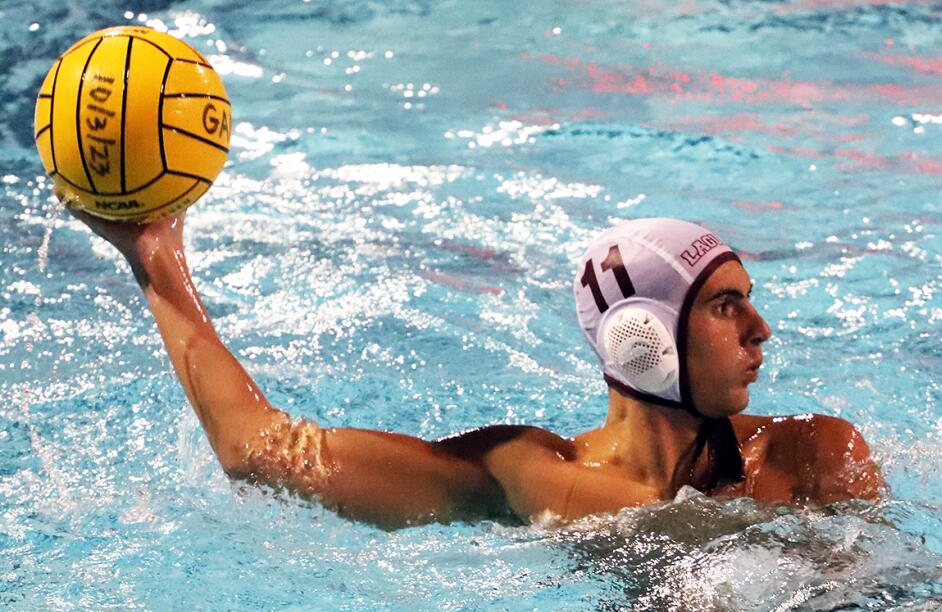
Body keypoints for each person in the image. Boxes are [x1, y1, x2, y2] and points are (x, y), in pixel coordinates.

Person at [67, 208, 881, 528]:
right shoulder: (524, 471)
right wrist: (155, 259)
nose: (761, 329)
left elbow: (891, 600)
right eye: (724, 305)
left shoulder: (812, 452)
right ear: (644, 336)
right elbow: (261, 450)